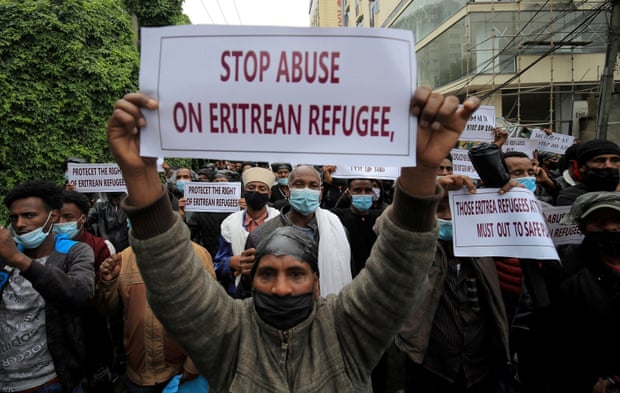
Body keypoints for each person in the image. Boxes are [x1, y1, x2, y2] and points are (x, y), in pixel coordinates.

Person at [105, 85, 481, 392]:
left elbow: (397, 271)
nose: (282, 289)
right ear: (252, 280)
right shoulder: (229, 333)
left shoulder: (346, 330)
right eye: (267, 274)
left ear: (317, 283)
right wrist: (140, 178)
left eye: (295, 274)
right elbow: (175, 283)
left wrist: (421, 169)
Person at [396, 174, 511, 393]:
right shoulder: (414, 250)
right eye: (439, 210)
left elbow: (518, 232)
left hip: (479, 368)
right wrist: (424, 188)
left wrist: (514, 197)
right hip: (431, 367)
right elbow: (388, 226)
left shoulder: (482, 247)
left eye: (455, 209)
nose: (448, 216)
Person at [0, 180, 95, 393]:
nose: (20, 224)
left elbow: (79, 293)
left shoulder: (74, 252)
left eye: (29, 215)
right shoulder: (3, 256)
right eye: (14, 217)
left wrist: (19, 259)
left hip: (52, 382)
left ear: (52, 217)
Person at [96, 243, 214, 393]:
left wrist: (193, 366)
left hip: (180, 372)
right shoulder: (124, 258)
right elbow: (108, 310)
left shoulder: (197, 255)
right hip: (139, 372)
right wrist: (108, 283)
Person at [537, 192, 620, 393]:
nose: (609, 228)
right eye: (598, 222)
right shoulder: (564, 270)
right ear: (582, 227)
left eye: (616, 221)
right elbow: (553, 333)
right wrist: (591, 378)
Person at [243, 164, 352, 297]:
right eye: (299, 184)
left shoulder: (338, 231)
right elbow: (250, 292)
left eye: (313, 186)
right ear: (288, 190)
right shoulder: (261, 235)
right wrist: (246, 281)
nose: (306, 190)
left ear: (321, 192)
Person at [55, 189, 120, 391]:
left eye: (68, 218)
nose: (60, 223)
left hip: (92, 327)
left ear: (82, 218)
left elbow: (108, 299)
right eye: (56, 218)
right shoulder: (45, 247)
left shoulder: (100, 247)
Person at [213, 166, 280, 295]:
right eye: (251, 187)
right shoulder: (230, 223)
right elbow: (217, 265)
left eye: (262, 188)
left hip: (273, 291)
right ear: (244, 191)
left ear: (269, 194)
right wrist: (230, 263)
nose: (256, 191)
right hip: (237, 293)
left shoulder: (279, 222)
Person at [556, 139, 620, 205]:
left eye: (615, 160)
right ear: (582, 167)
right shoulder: (570, 195)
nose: (608, 166)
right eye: (600, 160)